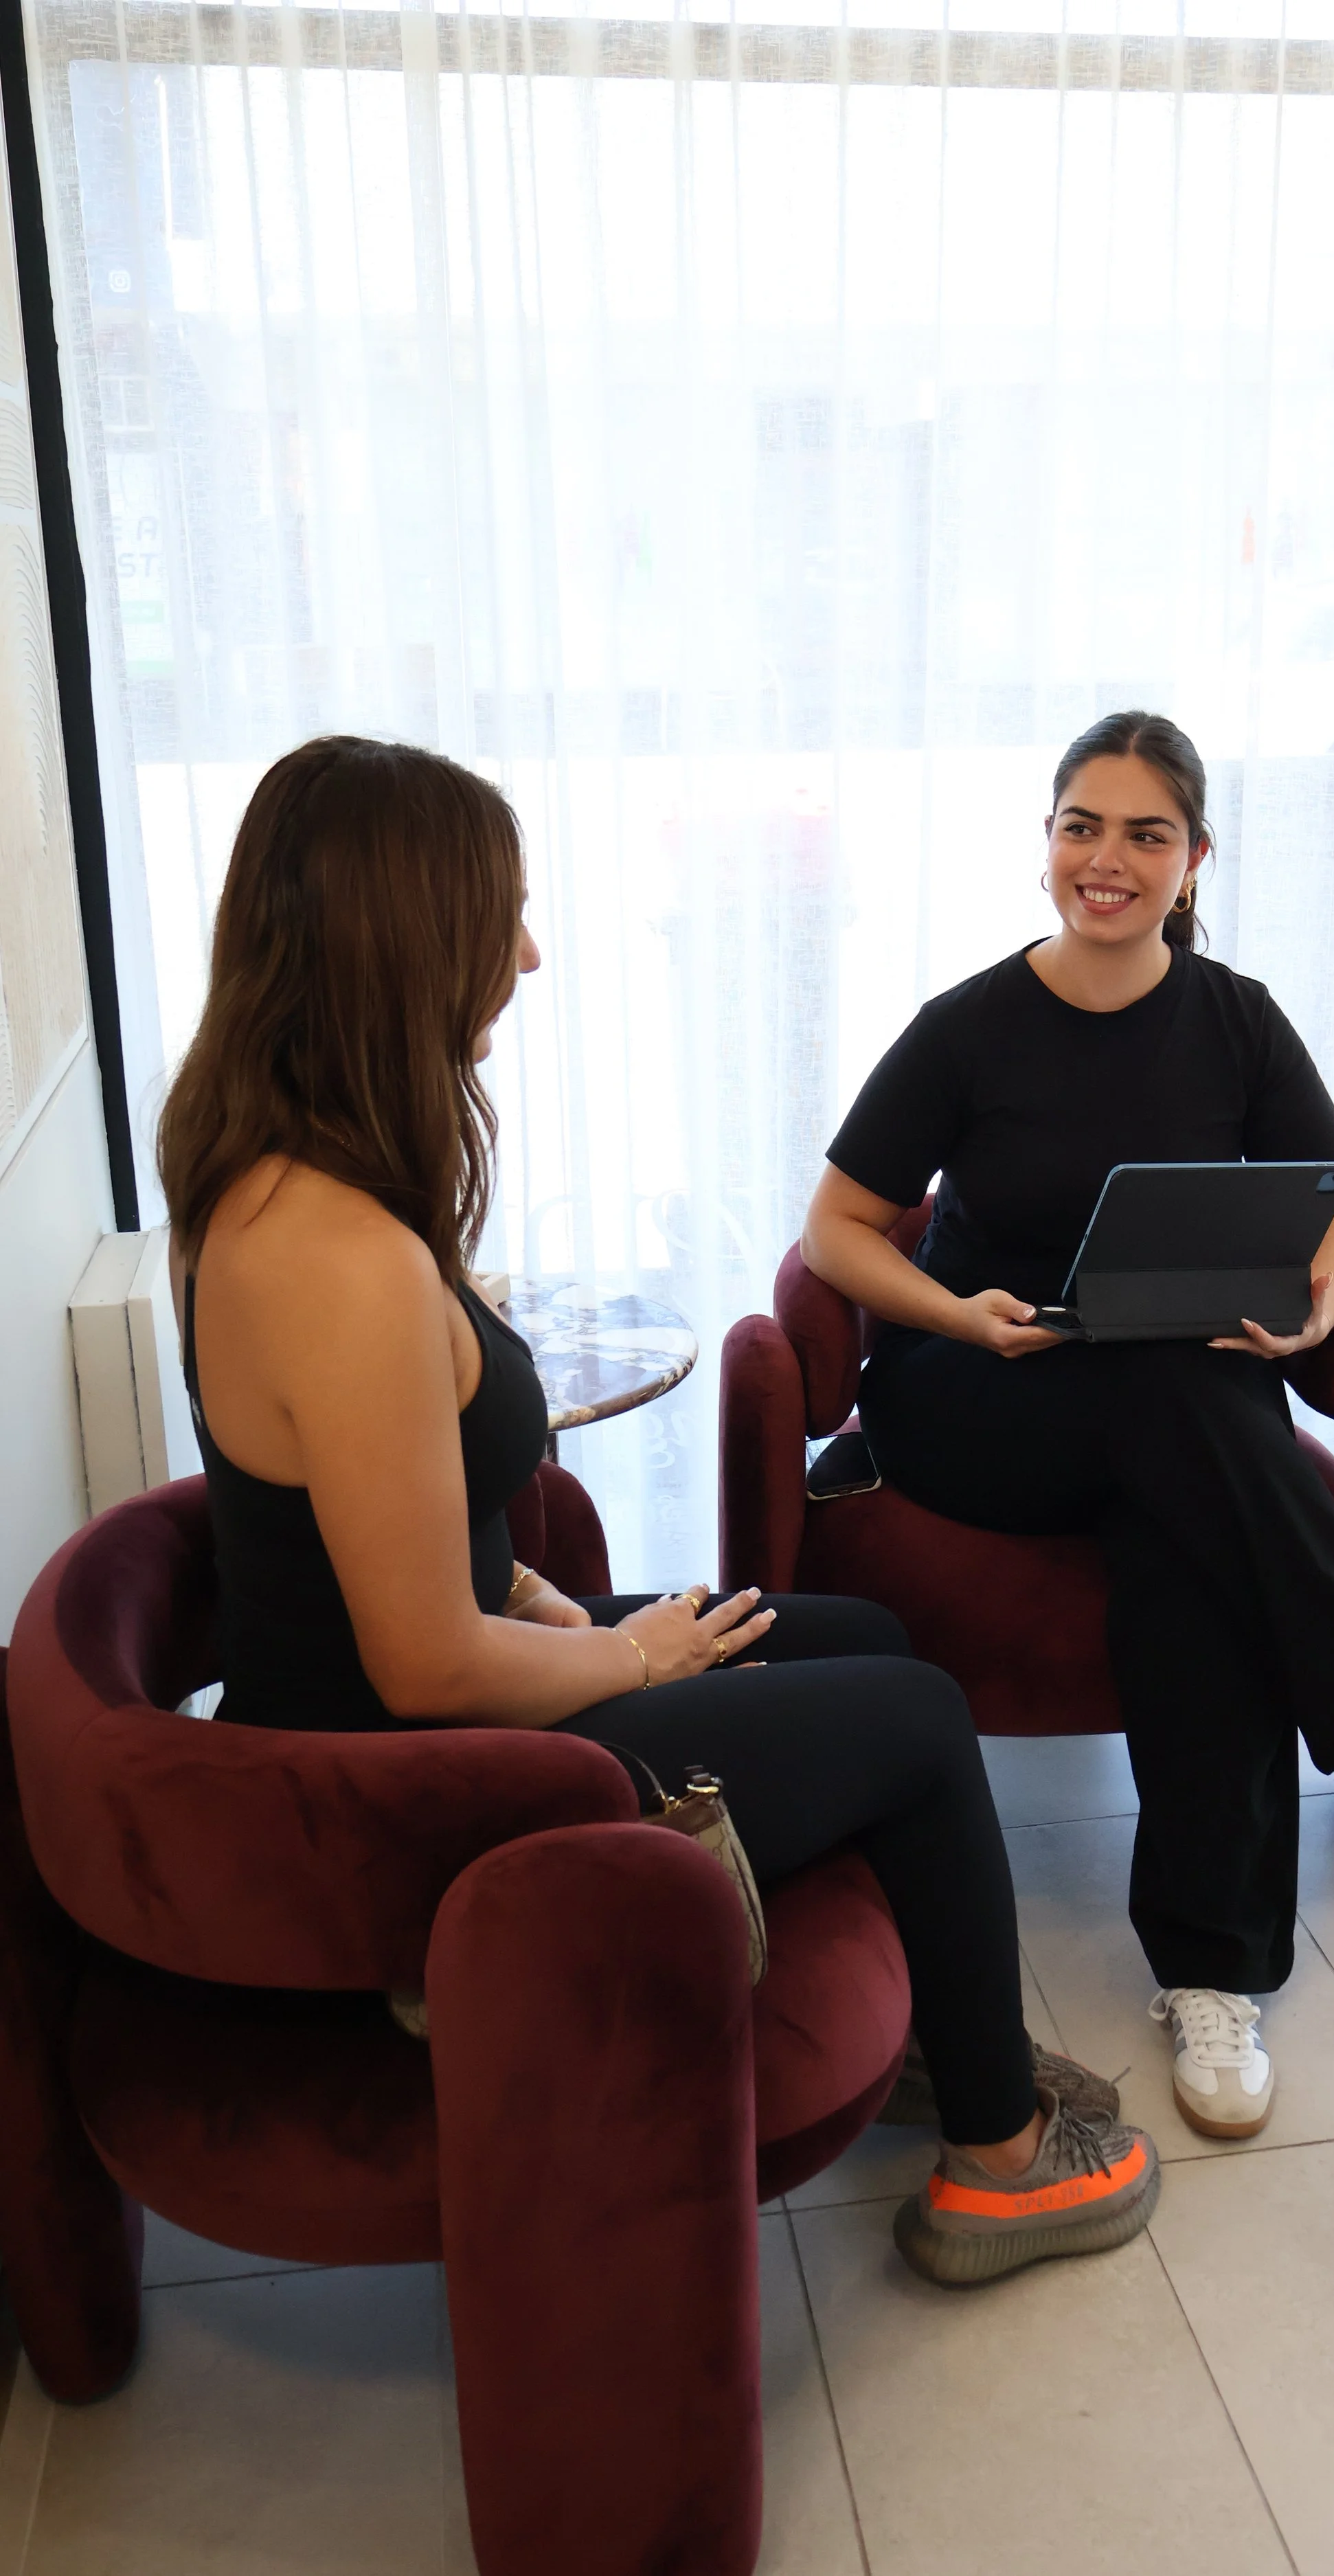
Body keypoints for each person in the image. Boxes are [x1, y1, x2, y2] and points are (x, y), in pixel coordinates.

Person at [153, 733, 1157, 2287]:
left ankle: (930, 2041)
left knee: (859, 1632)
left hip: (424, 1703)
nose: (527, 955)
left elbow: (383, 1534)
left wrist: (553, 1605)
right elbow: (421, 1665)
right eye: (503, 916)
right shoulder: (334, 1257)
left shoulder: (293, 1183)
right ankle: (1005, 2158)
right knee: (913, 1717)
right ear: (400, 943)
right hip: (412, 1786)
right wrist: (631, 1659)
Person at [800, 709, 1334, 2145]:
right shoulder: (967, 1026)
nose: (1106, 859)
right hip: (978, 1392)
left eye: (1144, 834)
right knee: (1184, 1407)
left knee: (1188, 1518)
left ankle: (1210, 1980)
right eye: (1081, 826)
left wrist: (1313, 1308)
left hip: (1162, 1404)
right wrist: (953, 1313)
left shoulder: (1235, 1018)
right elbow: (836, 1231)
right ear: (1047, 842)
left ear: (1194, 859)